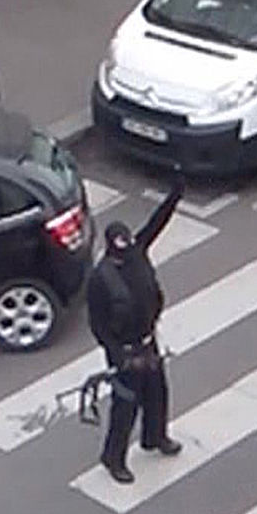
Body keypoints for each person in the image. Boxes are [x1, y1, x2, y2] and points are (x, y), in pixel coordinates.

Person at [86, 172, 186, 484]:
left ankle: (155, 437)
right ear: (110, 249)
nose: (128, 249)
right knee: (126, 405)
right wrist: (117, 355)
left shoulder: (137, 252)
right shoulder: (100, 279)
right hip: (124, 351)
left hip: (147, 341)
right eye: (122, 246)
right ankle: (113, 458)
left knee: (157, 393)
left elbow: (156, 223)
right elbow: (98, 324)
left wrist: (175, 194)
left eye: (129, 243)